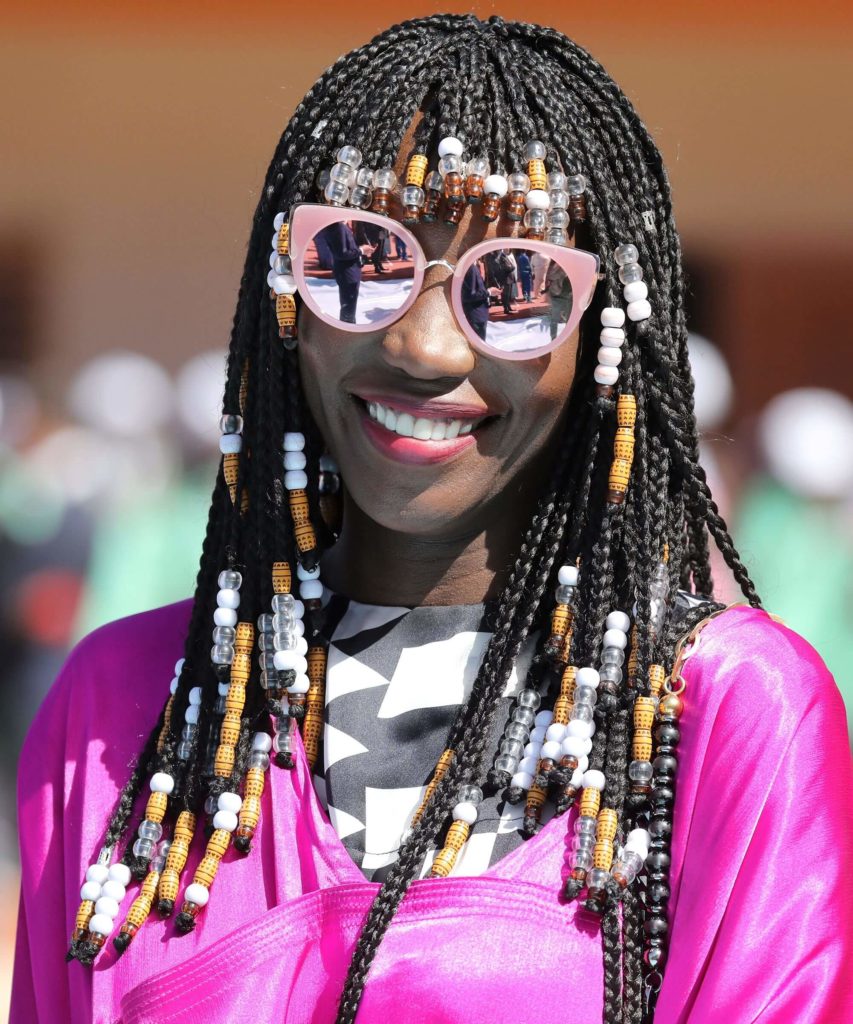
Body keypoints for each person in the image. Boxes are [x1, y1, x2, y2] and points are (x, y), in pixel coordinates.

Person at [11, 15, 852, 1024]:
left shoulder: (723, 709)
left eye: (515, 284)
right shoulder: (123, 706)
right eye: (359, 257)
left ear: (601, 338)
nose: (423, 344)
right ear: (284, 299)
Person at [318, 220, 362, 322]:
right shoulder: (338, 227)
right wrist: (361, 250)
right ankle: (348, 332)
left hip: (347, 272)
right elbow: (342, 253)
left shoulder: (335, 226)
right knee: (348, 308)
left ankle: (348, 330)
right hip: (348, 273)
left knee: (348, 306)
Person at [544, 259, 573, 340]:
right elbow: (551, 276)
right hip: (557, 297)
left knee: (569, 320)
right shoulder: (557, 265)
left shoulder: (573, 265)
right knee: (554, 320)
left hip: (569, 297)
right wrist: (562, 269)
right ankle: (553, 339)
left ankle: (567, 339)